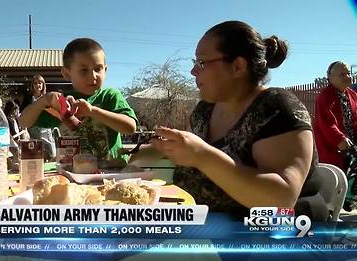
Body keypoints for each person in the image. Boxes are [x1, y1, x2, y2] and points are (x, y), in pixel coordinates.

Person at [133, 20, 322, 220]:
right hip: (199, 226)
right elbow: (184, 150)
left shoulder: (277, 109)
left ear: (237, 66)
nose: (193, 71)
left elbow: (282, 200)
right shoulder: (204, 110)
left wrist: (202, 156)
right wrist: (130, 158)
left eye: (202, 62)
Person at [20, 38, 137, 162]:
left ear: (105, 70)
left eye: (98, 69)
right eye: (84, 70)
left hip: (112, 173)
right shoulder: (62, 103)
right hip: (74, 174)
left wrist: (92, 111)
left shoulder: (110, 96)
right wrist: (44, 100)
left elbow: (130, 128)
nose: (93, 76)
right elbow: (24, 122)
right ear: (66, 73)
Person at [313, 61, 357, 210]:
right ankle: (329, 210)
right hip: (332, 146)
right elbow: (326, 122)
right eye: (342, 74)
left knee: (350, 175)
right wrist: (339, 138)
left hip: (351, 144)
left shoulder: (353, 95)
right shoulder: (325, 96)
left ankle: (347, 199)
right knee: (333, 180)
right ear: (330, 78)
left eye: (348, 73)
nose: (347, 76)